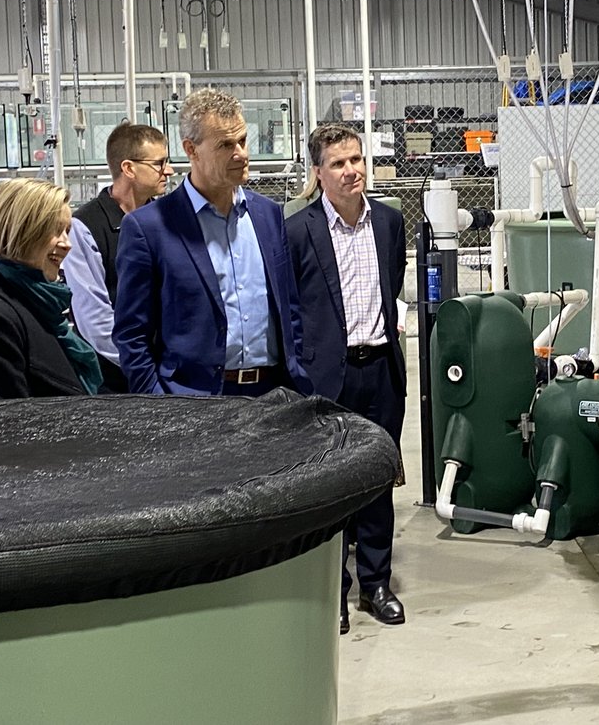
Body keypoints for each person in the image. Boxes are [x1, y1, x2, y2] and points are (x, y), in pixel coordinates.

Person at [113, 88, 313, 397]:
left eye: (243, 141)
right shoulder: (150, 227)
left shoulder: (269, 216)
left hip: (273, 396)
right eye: (226, 145)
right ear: (191, 150)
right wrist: (158, 401)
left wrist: (297, 376)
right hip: (194, 403)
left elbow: (289, 309)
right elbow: (131, 334)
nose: (242, 154)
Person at [286, 124, 407, 636]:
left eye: (356, 159)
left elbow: (393, 283)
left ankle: (376, 583)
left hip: (380, 368)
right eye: (338, 163)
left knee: (378, 480)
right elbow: (292, 306)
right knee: (330, 488)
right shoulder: (298, 231)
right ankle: (331, 589)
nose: (351, 170)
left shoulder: (390, 222)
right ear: (318, 173)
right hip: (326, 379)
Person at [0, 178, 103, 401]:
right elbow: (3, 427)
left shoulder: (30, 302)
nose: (67, 244)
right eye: (55, 230)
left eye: (67, 231)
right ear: (22, 230)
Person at [64, 123, 173, 392]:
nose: (168, 170)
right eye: (159, 163)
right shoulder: (85, 227)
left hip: (168, 372)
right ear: (128, 168)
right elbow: (95, 320)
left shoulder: (168, 220)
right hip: (114, 381)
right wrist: (143, 366)